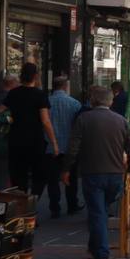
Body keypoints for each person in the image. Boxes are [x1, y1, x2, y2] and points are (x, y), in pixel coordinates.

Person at [61, 86, 130, 259]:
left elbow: (73, 148)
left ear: (92, 100)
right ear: (111, 101)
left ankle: (101, 255)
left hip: (92, 173)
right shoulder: (121, 120)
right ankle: (95, 247)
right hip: (116, 174)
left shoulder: (83, 119)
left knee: (97, 213)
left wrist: (66, 169)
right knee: (101, 211)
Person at [0, 63, 62, 217]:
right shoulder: (40, 95)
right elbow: (45, 121)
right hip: (35, 141)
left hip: (16, 140)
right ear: (36, 76)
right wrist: (54, 143)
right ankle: (30, 205)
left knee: (18, 177)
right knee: (40, 176)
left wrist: (12, 121)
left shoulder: (13, 93)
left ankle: (21, 209)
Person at [47, 76, 83, 215]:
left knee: (52, 180)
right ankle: (72, 205)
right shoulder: (75, 104)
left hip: (51, 146)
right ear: (65, 86)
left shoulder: (46, 102)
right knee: (71, 177)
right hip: (69, 146)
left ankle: (54, 207)